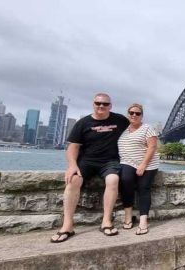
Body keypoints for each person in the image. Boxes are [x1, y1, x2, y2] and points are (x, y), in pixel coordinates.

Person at [50, 93, 129, 243]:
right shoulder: (83, 123)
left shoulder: (120, 120)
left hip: (110, 161)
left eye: (105, 104)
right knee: (73, 180)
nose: (101, 106)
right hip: (86, 161)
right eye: (98, 103)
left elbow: (135, 129)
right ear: (93, 104)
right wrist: (72, 165)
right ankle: (67, 226)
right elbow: (73, 147)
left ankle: (106, 222)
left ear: (110, 106)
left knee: (113, 179)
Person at [118, 103, 159, 235]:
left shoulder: (147, 128)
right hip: (127, 162)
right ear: (128, 114)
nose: (134, 115)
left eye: (137, 113)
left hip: (147, 163)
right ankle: (128, 217)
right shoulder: (123, 129)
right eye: (131, 112)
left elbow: (152, 147)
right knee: (125, 181)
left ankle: (143, 221)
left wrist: (143, 164)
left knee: (144, 188)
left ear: (142, 116)